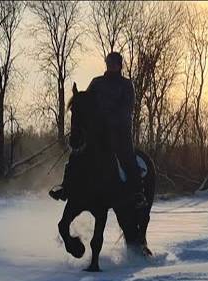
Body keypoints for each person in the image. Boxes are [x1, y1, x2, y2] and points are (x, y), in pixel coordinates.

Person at [49, 52, 147, 208]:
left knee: (127, 157)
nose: (111, 66)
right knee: (76, 155)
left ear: (119, 66)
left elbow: (126, 108)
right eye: (109, 63)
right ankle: (65, 187)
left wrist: (109, 119)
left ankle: (137, 192)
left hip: (120, 132)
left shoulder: (126, 85)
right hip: (98, 132)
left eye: (114, 64)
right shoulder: (97, 83)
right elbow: (87, 101)